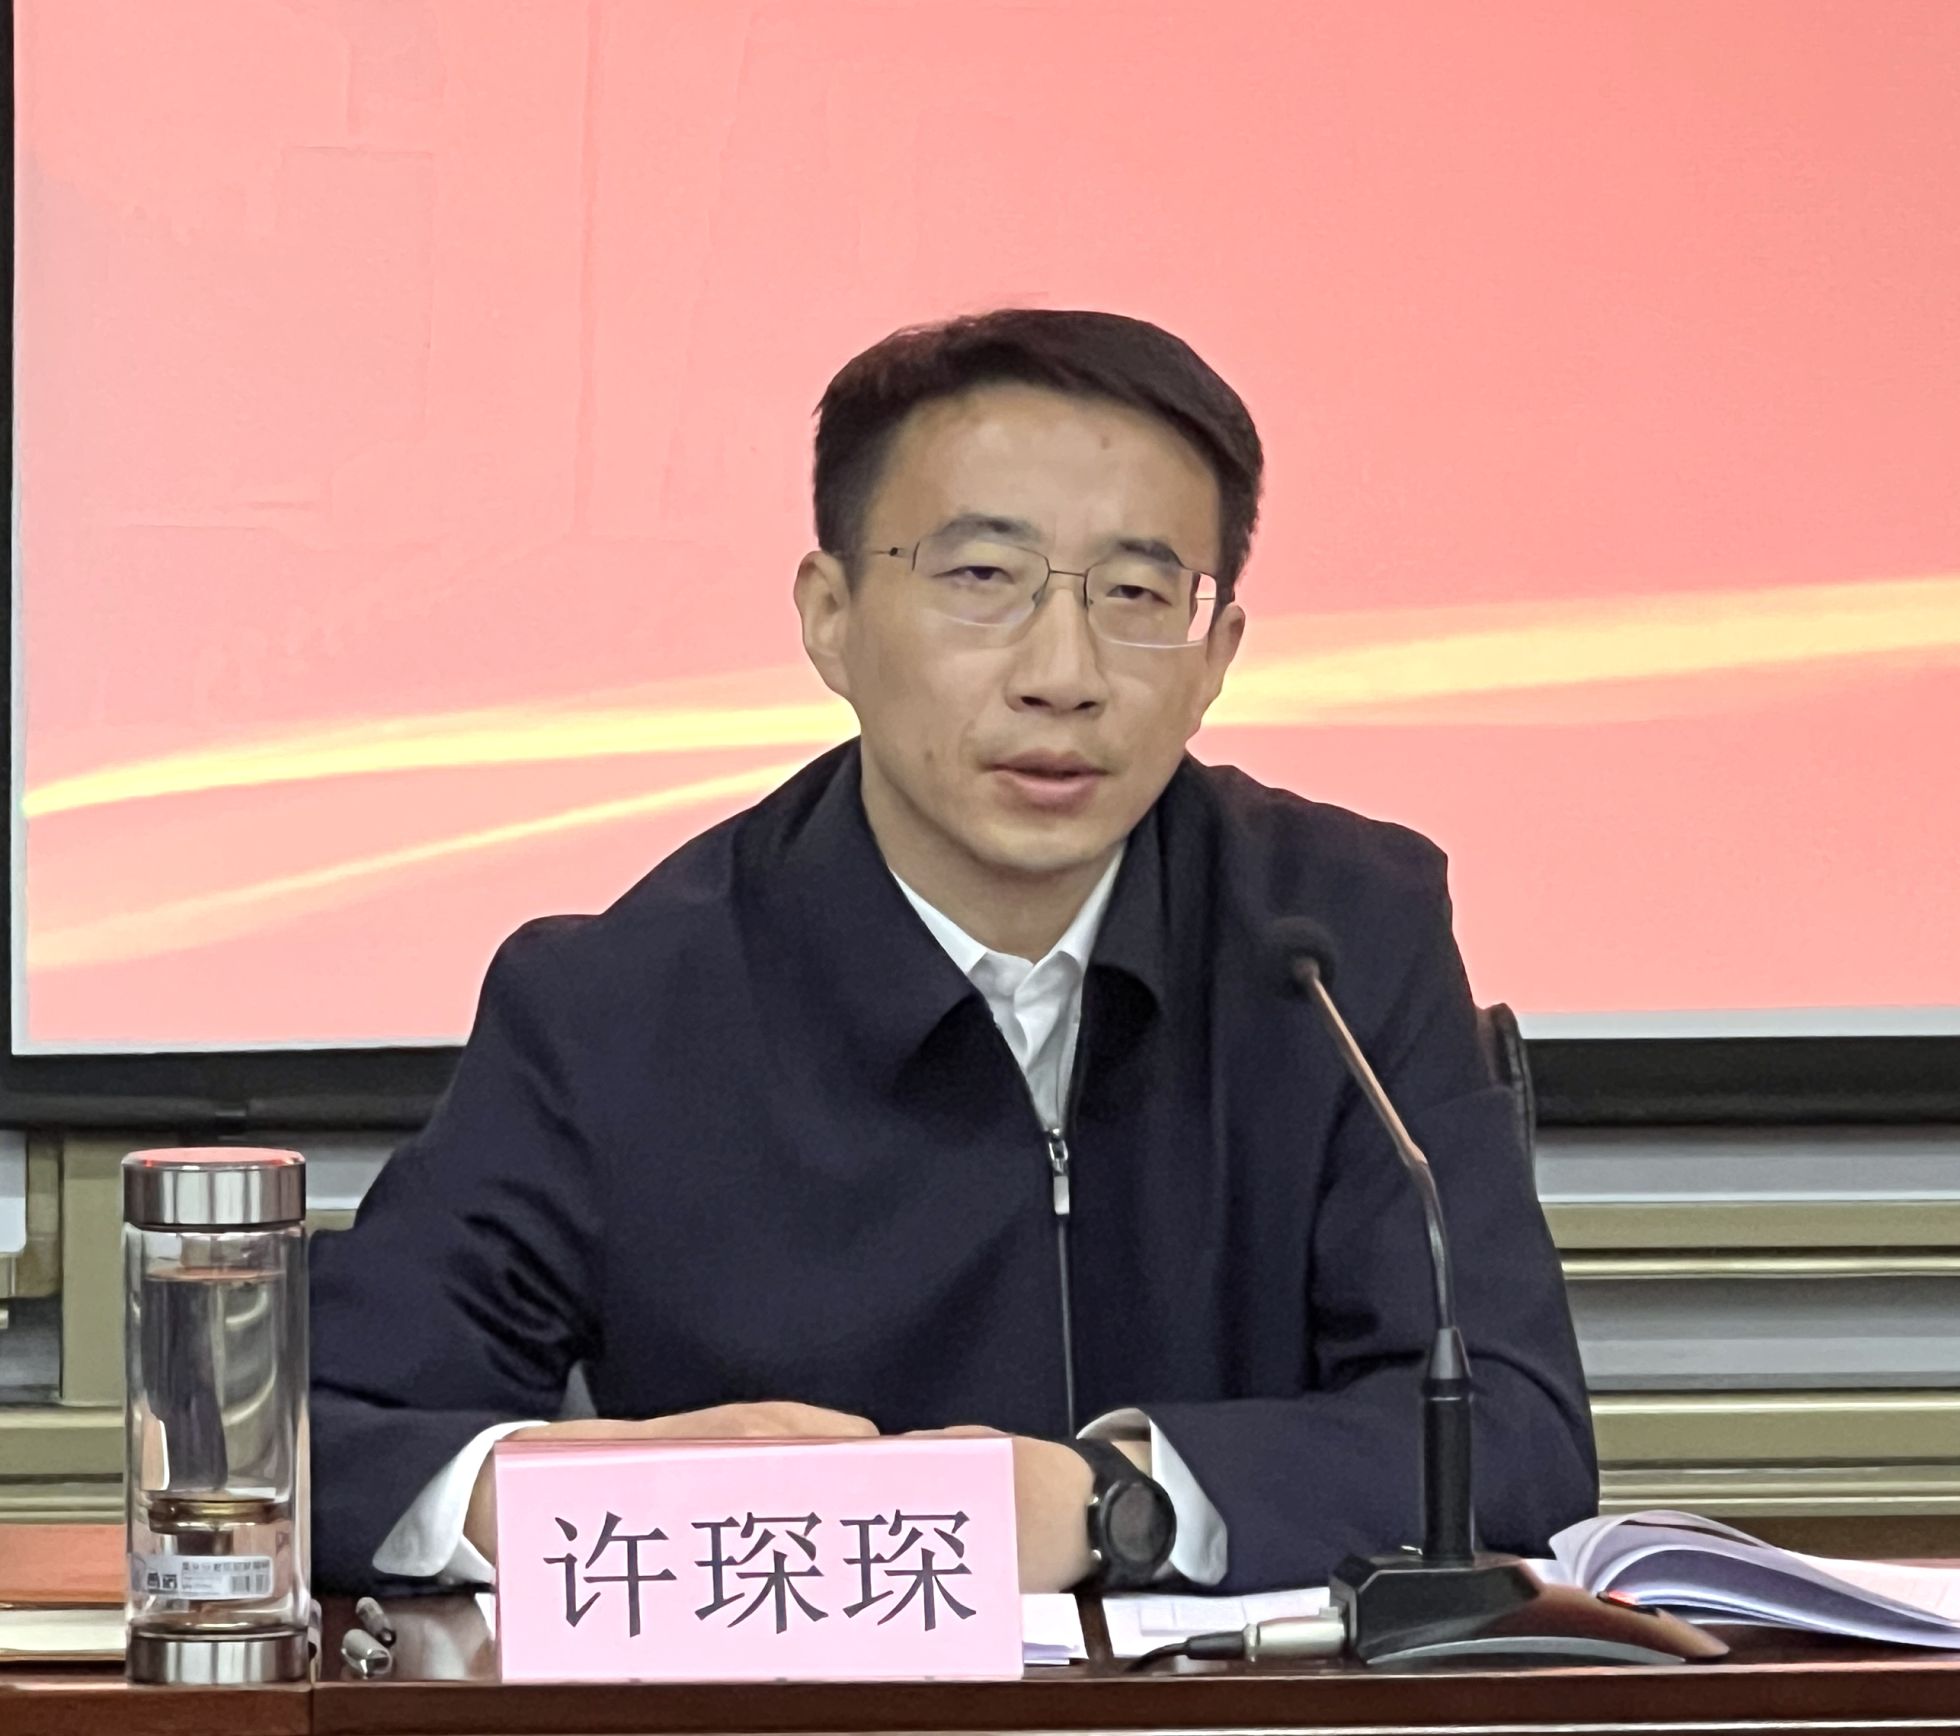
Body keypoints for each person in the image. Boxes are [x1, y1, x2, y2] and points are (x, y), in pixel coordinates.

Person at [310, 308, 1596, 1597]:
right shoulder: (621, 1007)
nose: (1063, 674)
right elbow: (308, 1438)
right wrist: (572, 1493)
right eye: (983, 577)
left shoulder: (1336, 941)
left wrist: (1109, 1504)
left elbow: (1513, 1434)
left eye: (1137, 596)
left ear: (1215, 657)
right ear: (831, 617)